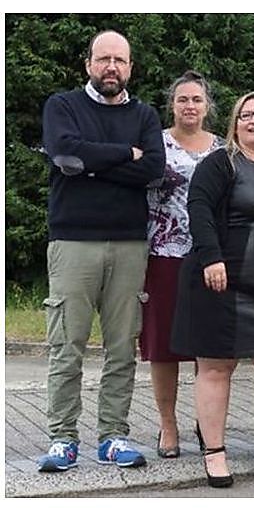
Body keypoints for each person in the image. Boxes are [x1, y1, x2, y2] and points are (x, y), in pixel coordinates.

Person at [37, 30, 165, 472]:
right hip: (73, 242)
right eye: (104, 58)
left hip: (129, 243)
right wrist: (125, 154)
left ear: (130, 67)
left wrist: (91, 166)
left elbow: (153, 169)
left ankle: (113, 436)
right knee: (66, 345)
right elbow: (64, 154)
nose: (112, 67)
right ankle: (62, 439)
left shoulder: (144, 114)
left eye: (120, 60)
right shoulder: (63, 106)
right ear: (88, 63)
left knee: (122, 348)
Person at [170, 92, 254, 488]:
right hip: (220, 279)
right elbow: (199, 208)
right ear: (235, 123)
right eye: (247, 115)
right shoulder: (220, 163)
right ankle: (214, 453)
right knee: (216, 367)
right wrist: (211, 257)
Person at [141, 71, 223, 459]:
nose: (190, 106)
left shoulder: (223, 149)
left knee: (207, 345)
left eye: (196, 99)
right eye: (183, 99)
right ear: (172, 105)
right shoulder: (154, 144)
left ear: (207, 106)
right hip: (163, 255)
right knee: (163, 346)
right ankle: (168, 425)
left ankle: (207, 422)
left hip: (209, 257)